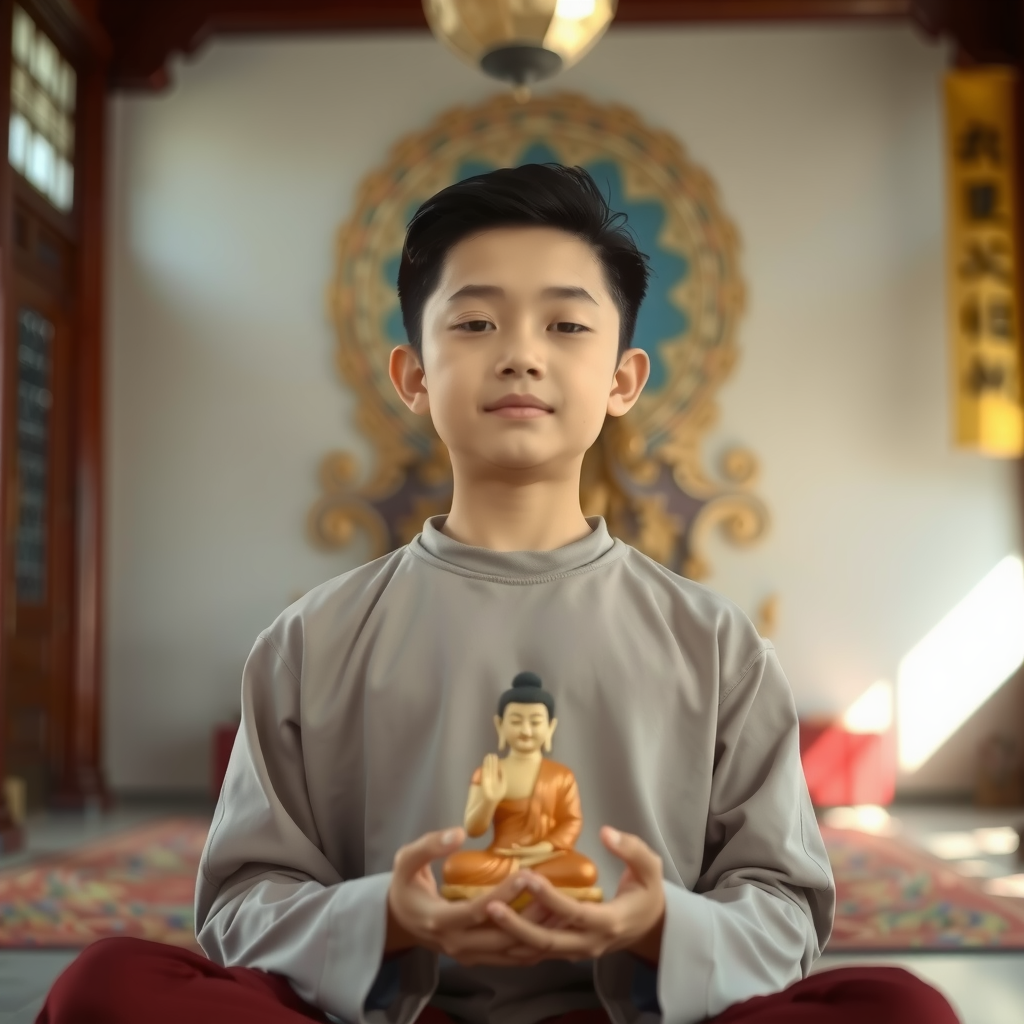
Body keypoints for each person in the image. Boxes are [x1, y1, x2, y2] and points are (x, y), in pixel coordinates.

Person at [37, 165, 959, 1024]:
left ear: (623, 379)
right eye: (475, 324)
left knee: (903, 1011)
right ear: (414, 376)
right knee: (107, 989)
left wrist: (654, 926)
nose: (520, 355)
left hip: (623, 1010)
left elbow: (783, 906)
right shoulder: (313, 639)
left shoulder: (711, 642)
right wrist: (388, 919)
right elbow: (241, 904)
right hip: (397, 1011)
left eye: (566, 326)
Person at [441, 672, 600, 896]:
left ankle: (522, 876)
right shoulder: (488, 772)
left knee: (584, 871)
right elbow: (474, 829)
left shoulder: (561, 775)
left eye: (535, 722)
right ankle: (524, 876)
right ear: (500, 725)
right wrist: (489, 799)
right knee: (454, 867)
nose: (526, 730)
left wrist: (542, 849)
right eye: (516, 721)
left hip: (545, 858)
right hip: (500, 857)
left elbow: (571, 821)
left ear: (550, 728)